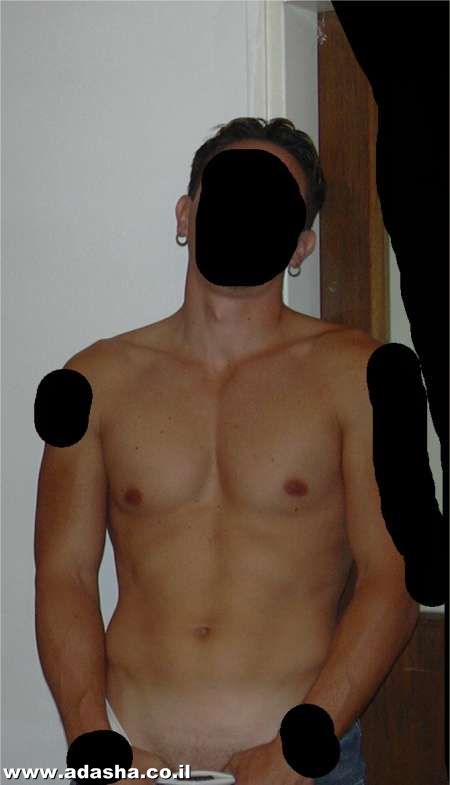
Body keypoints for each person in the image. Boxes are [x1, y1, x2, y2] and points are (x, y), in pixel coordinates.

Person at [34, 118, 419, 785]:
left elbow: (395, 578)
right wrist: (92, 739)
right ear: (187, 214)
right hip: (130, 758)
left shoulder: (363, 377)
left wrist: (302, 748)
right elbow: (62, 575)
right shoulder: (92, 381)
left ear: (300, 244)